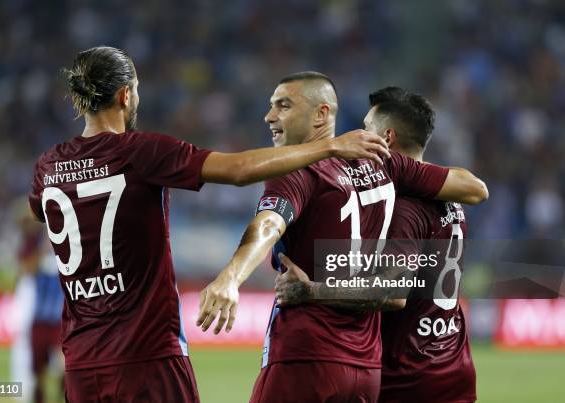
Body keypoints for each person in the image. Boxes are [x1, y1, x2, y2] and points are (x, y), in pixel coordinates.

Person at [27, 46, 391, 402]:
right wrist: (329, 147)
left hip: (80, 363)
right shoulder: (142, 150)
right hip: (147, 355)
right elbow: (239, 169)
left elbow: (41, 211)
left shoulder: (48, 166)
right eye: (136, 90)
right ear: (125, 95)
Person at [197, 73, 487, 402]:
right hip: (367, 368)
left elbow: (267, 225)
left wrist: (230, 277)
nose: (270, 116)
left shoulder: (294, 171)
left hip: (307, 355)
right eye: (271, 106)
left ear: (321, 114)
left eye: (284, 105)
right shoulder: (381, 165)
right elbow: (475, 188)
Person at [274, 87, 477, 402]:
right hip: (454, 364)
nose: (359, 136)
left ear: (387, 138)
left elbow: (392, 293)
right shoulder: (452, 200)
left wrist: (311, 290)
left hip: (409, 376)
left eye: (367, 129)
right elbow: (477, 188)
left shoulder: (402, 205)